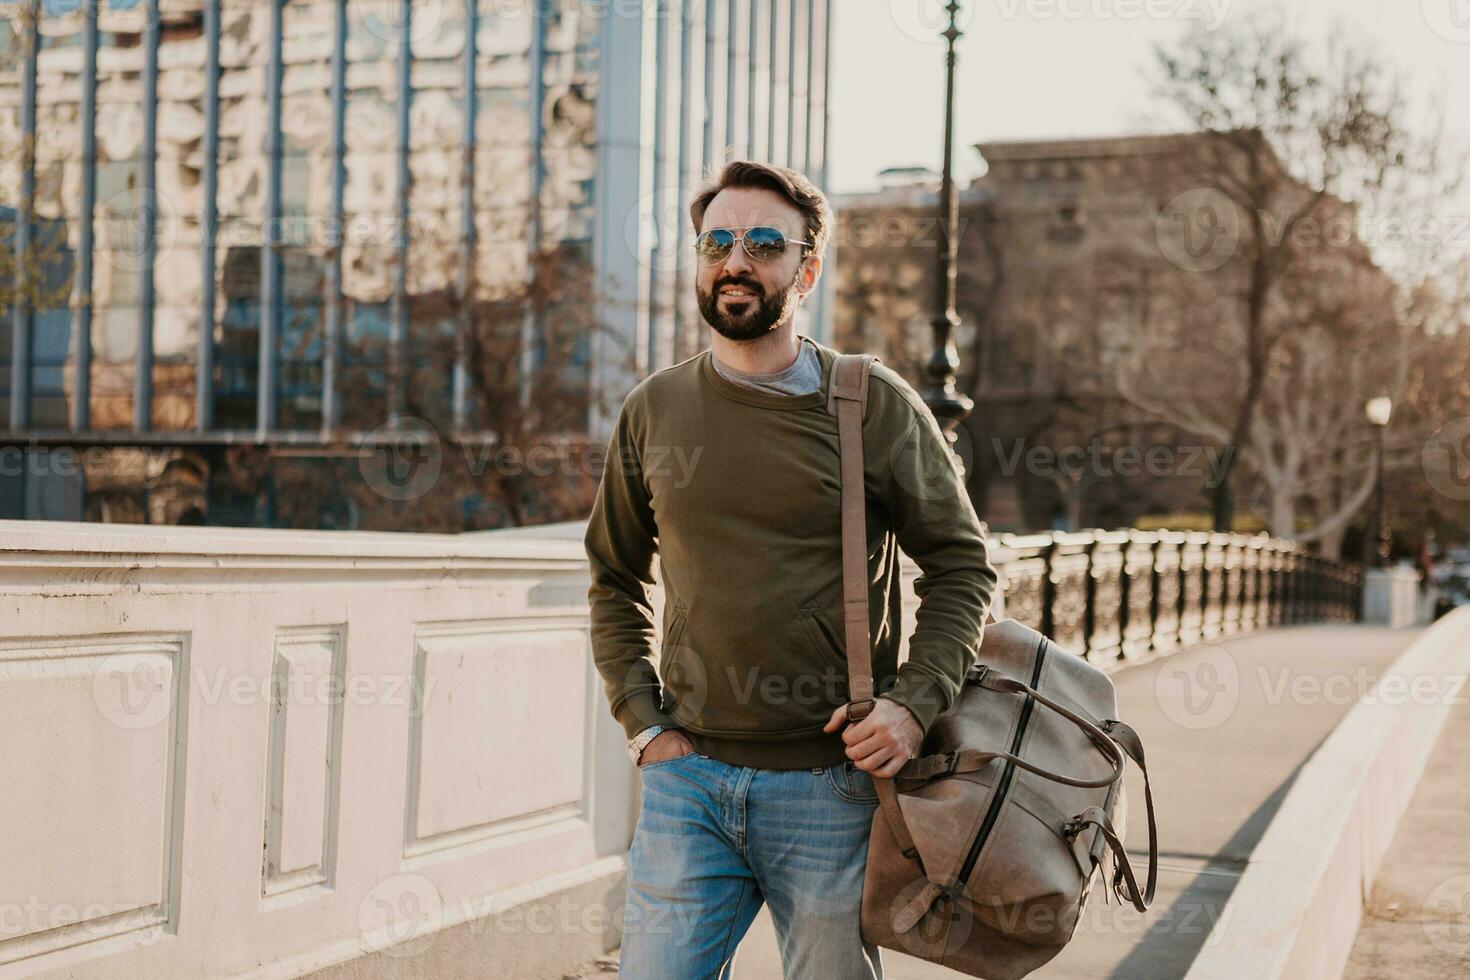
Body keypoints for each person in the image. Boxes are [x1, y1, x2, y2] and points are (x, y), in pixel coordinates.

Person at [584, 160, 998, 980]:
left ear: (805, 269)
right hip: (687, 782)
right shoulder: (655, 409)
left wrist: (913, 707)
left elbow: (961, 567)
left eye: (765, 243)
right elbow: (613, 575)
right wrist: (643, 721)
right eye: (717, 242)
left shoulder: (868, 403)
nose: (736, 261)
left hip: (832, 793)